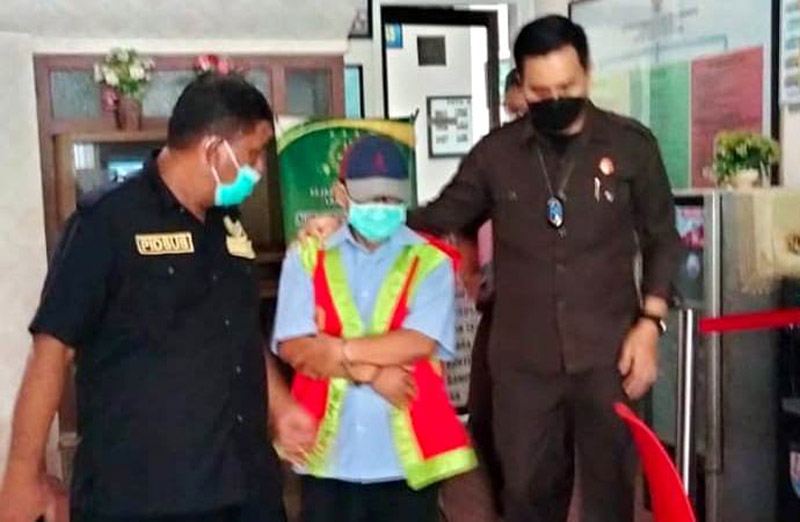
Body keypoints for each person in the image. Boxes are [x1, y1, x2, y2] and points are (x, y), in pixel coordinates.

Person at [0, 73, 314, 522]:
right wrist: (22, 473)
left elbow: (237, 329)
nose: (259, 168)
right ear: (214, 150)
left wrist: (280, 406)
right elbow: (52, 348)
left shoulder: (227, 221)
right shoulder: (106, 222)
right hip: (146, 494)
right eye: (253, 154)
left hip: (246, 486)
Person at [404, 15, 681, 522]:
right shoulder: (497, 155)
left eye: (565, 88)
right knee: (526, 494)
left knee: (610, 495)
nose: (554, 99)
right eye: (540, 92)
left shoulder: (630, 145)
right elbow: (441, 214)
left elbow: (663, 238)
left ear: (587, 74)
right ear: (522, 85)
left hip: (609, 355)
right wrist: (360, 222)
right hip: (523, 365)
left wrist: (650, 325)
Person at [272, 135, 476, 522]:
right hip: (326, 453)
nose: (381, 208)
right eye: (369, 198)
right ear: (341, 194)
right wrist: (372, 372)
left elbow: (419, 342)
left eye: (391, 198)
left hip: (406, 457)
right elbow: (294, 347)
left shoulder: (430, 261)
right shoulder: (307, 255)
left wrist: (337, 350)